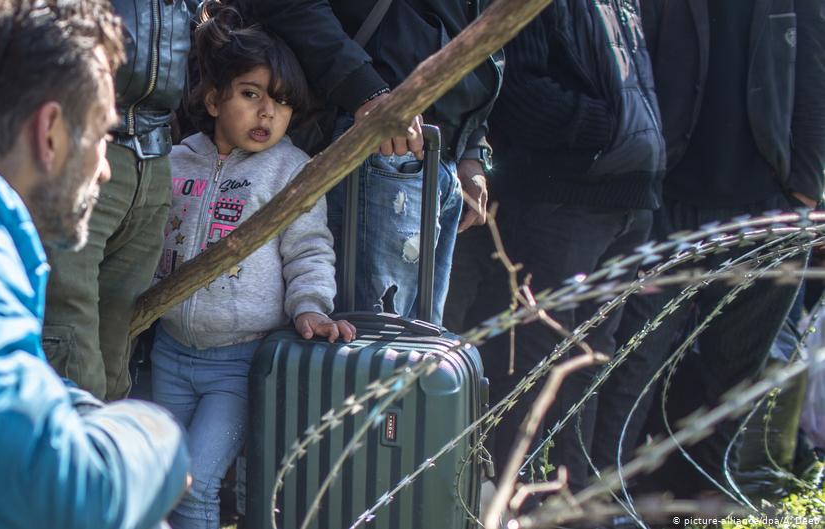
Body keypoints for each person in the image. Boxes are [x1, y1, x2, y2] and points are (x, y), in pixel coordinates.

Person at [0, 1, 189, 528]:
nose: (105, 172)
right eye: (102, 136)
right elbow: (60, 498)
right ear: (50, 132)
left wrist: (82, 416)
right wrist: (156, 437)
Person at [593, 0, 825, 501]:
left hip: (766, 207)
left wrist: (804, 194)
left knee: (734, 379)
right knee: (633, 365)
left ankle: (701, 507)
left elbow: (814, 78)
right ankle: (603, 503)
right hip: (667, 198)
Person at [149, 3, 355, 528]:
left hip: (239, 364)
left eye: (281, 103)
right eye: (250, 95)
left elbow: (309, 250)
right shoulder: (176, 162)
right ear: (214, 99)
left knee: (194, 484)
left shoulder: (291, 171)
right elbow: (148, 244)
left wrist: (311, 307)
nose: (267, 113)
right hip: (169, 354)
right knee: (158, 479)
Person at [485, 0, 665, 493]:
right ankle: (511, 502)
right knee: (537, 362)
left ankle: (570, 502)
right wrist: (607, 129)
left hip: (630, 198)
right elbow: (516, 88)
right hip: (563, 198)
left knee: (591, 362)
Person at [252, 0, 504, 325]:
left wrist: (472, 147)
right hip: (374, 144)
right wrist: (366, 91)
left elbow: (481, 28)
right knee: (368, 348)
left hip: (441, 158)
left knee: (410, 350)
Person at [41, 0, 192, 401]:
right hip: (81, 137)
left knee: (117, 333)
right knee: (67, 326)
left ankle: (105, 454)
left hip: (156, 150)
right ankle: (77, 453)